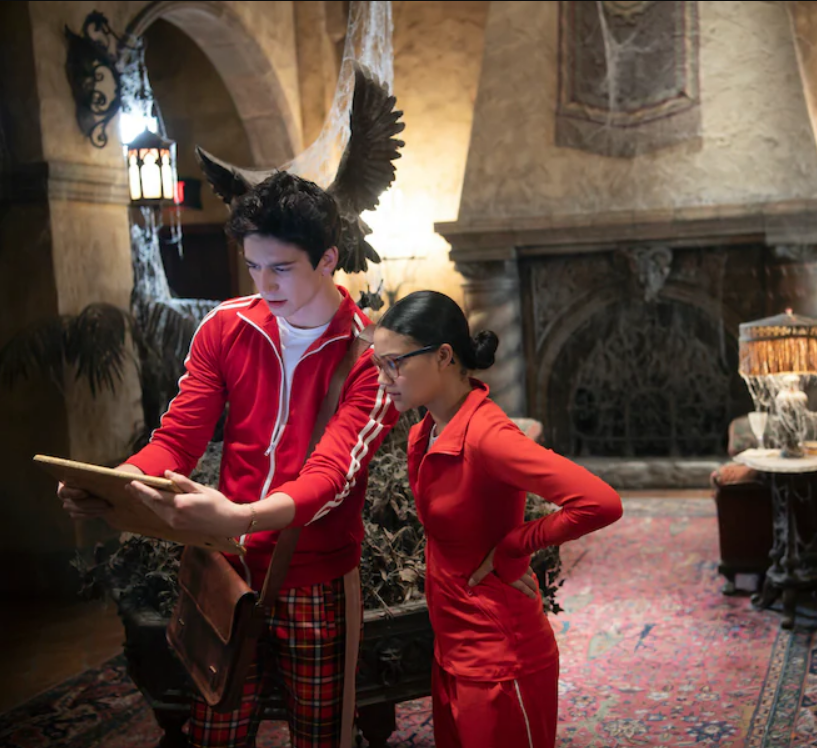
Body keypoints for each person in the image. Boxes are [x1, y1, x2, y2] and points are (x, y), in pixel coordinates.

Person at [58, 171, 399, 747]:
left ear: (328, 259)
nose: (265, 284)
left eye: (281, 268)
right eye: (253, 266)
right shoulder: (226, 327)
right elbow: (179, 437)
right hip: (224, 567)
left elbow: (333, 475)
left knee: (322, 737)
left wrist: (241, 517)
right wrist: (119, 481)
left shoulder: (372, 357)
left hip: (314, 576)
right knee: (215, 731)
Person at [370, 290, 623, 748]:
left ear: (443, 356)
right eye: (378, 365)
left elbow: (600, 502)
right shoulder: (423, 432)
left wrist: (514, 547)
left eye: (395, 364)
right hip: (453, 649)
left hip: (501, 658)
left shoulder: (488, 437)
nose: (384, 379)